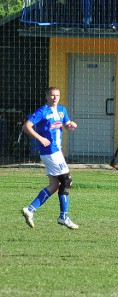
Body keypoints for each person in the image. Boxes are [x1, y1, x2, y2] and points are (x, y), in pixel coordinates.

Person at [21, 87, 79, 230]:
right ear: (47, 96)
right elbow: (26, 126)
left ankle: (30, 209)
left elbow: (66, 125)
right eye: (52, 95)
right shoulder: (42, 111)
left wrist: (71, 125)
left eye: (57, 95)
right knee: (67, 180)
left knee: (54, 185)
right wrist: (40, 138)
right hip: (50, 151)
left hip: (56, 151)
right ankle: (63, 217)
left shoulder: (62, 110)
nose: (55, 97)